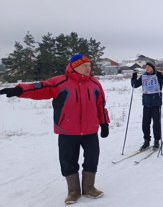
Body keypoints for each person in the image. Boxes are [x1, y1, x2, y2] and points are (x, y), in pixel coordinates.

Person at [0, 53, 110, 205]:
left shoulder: (95, 83)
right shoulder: (60, 82)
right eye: (84, 66)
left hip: (90, 130)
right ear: (74, 67)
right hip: (67, 131)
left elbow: (100, 106)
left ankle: (89, 188)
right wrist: (20, 90)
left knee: (92, 158)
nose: (88, 68)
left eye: (89, 65)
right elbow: (39, 88)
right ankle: (73, 191)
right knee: (68, 161)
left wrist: (104, 124)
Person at [131, 62, 163, 151]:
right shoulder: (143, 76)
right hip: (146, 103)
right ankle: (146, 141)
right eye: (146, 67)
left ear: (153, 68)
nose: (147, 68)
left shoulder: (157, 75)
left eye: (149, 67)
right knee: (145, 123)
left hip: (156, 103)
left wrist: (162, 77)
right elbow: (134, 85)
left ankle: (156, 140)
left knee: (156, 123)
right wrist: (134, 76)